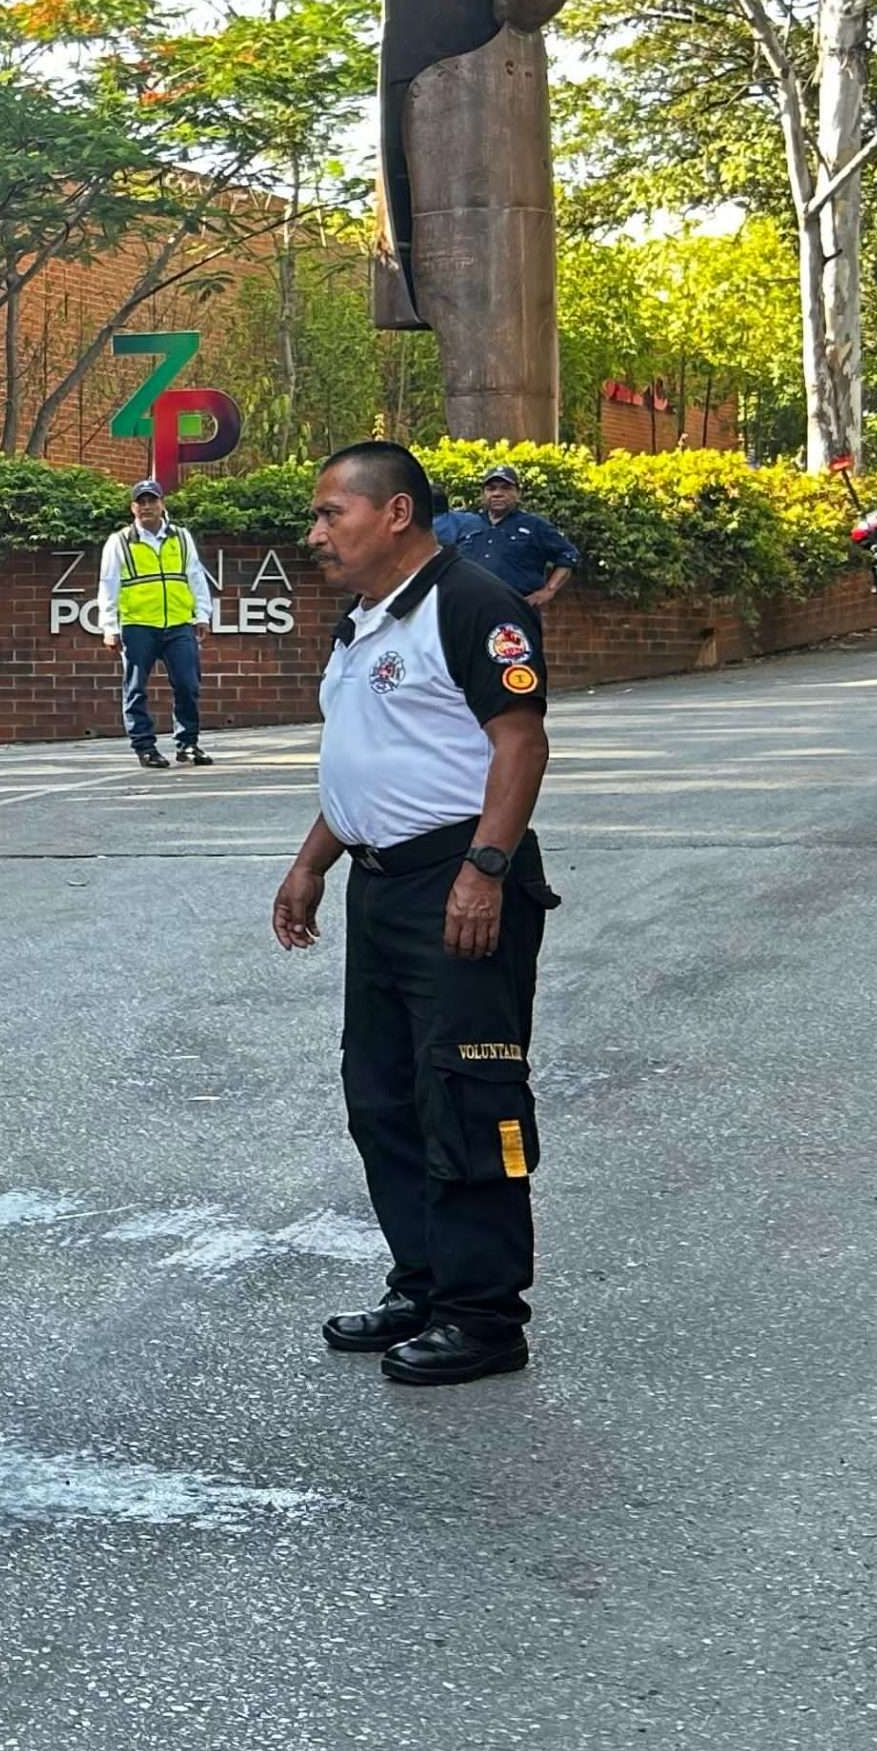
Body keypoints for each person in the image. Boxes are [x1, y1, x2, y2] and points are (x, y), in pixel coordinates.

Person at [271, 441, 556, 1388]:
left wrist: (486, 869)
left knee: (469, 1095)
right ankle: (426, 1283)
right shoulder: (362, 621)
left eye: (331, 513)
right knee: (383, 1094)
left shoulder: (474, 604)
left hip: (458, 879)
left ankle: (484, 1314)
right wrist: (312, 862)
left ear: (395, 513)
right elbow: (369, 755)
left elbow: (520, 743)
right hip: (381, 883)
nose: (317, 534)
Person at [90, 476, 214, 769]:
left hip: (179, 623)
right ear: (133, 508)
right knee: (135, 688)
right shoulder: (119, 542)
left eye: (152, 500)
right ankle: (144, 747)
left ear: (162, 504)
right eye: (141, 502)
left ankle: (187, 743)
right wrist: (110, 627)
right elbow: (108, 585)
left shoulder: (181, 537)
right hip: (138, 625)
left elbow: (195, 576)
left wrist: (202, 614)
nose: (147, 506)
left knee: (188, 684)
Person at [430, 463, 581, 612]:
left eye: (505, 488)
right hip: (468, 610)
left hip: (514, 610)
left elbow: (568, 555)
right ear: (483, 494)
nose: (497, 493)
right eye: (491, 488)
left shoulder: (534, 526)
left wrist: (548, 590)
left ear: (518, 493)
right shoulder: (465, 522)